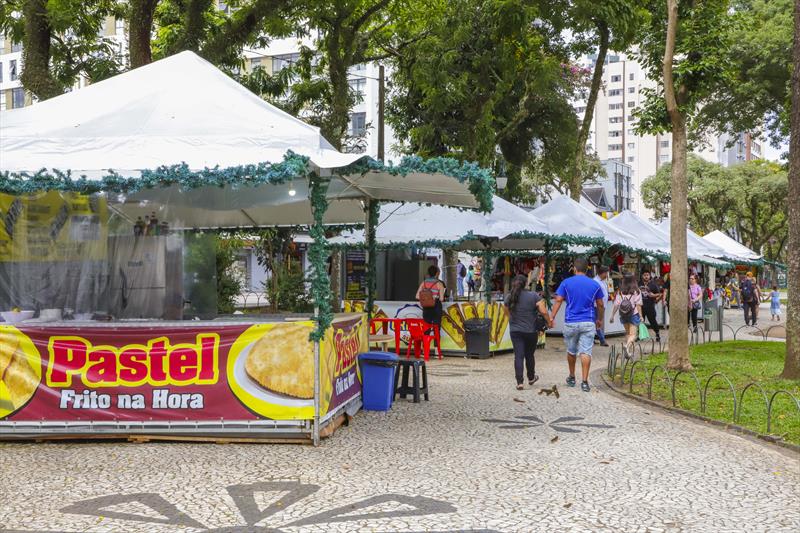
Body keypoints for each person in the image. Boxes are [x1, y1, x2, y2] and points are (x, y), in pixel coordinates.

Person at [550, 257, 604, 393]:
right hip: (588, 321)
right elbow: (600, 304)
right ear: (587, 269)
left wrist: (552, 317)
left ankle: (572, 376)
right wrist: (599, 319)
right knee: (586, 351)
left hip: (571, 321)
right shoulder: (594, 284)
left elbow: (558, 300)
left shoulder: (566, 283)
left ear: (574, 268)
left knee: (571, 350)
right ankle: (585, 382)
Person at [505, 275, 552, 390]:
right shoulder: (533, 296)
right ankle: (531, 378)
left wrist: (512, 321)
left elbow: (506, 312)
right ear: (526, 284)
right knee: (529, 355)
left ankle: (519, 382)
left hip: (515, 331)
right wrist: (549, 321)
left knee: (518, 356)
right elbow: (544, 311)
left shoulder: (509, 297)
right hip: (531, 331)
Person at [610, 273, 643, 356]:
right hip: (633, 314)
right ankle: (627, 347)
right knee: (633, 335)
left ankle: (628, 352)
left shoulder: (620, 291)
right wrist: (641, 316)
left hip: (623, 314)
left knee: (628, 333)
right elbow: (638, 304)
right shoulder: (636, 291)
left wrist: (612, 316)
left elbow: (616, 304)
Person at [640, 271, 663, 342]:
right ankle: (639, 336)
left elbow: (660, 294)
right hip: (640, 306)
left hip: (650, 306)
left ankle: (657, 334)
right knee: (640, 321)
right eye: (644, 275)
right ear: (642, 276)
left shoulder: (653, 284)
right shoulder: (639, 284)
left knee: (652, 321)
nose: (646, 276)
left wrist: (654, 296)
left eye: (647, 275)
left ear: (650, 276)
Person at [593, 266, 610, 347]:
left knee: (597, 322)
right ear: (602, 273)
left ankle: (593, 338)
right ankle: (602, 340)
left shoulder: (603, 281)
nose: (607, 274)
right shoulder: (595, 281)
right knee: (599, 322)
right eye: (606, 273)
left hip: (602, 305)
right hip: (597, 305)